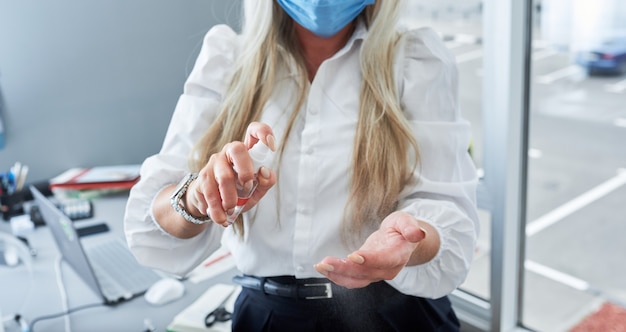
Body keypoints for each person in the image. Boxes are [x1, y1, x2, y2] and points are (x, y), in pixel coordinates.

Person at [124, 0, 479, 331]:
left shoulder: (415, 59)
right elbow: (151, 226)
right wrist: (197, 199)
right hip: (267, 316)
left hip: (397, 315)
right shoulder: (226, 57)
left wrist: (410, 240)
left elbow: (448, 216)